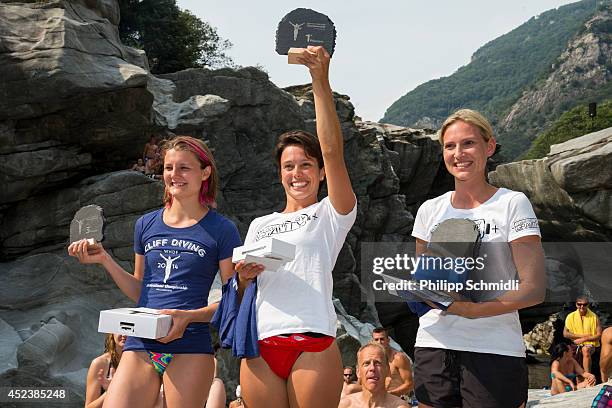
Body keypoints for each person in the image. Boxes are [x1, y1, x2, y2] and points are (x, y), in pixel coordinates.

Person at [69, 135, 241, 408]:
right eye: (169, 167)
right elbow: (140, 290)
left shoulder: (222, 230)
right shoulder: (145, 224)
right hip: (141, 342)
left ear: (205, 172)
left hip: (191, 343)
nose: (175, 175)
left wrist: (188, 316)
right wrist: (105, 259)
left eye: (184, 167)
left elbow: (233, 298)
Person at [235, 46, 357, 408]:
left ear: (321, 172)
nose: (297, 174)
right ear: (279, 175)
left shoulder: (331, 213)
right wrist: (243, 278)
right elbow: (244, 293)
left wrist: (320, 81)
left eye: (306, 165)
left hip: (312, 341)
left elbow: (333, 150)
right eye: (288, 167)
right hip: (260, 344)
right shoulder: (260, 224)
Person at [411, 109, 546, 408]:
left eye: (468, 143)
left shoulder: (512, 204)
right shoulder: (429, 210)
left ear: (489, 146)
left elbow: (534, 288)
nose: (458, 154)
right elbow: (425, 282)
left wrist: (473, 311)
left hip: (494, 347)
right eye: (450, 146)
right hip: (434, 344)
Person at [338, 343, 409, 408]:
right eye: (366, 363)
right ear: (358, 371)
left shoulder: (399, 406)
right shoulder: (345, 405)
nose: (372, 368)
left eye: (377, 363)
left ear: (388, 370)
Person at [84, 333, 125, 408]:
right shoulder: (100, 364)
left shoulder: (144, 363)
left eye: (130, 330)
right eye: (121, 329)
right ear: (112, 333)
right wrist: (110, 391)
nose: (125, 334)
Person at [563, 296, 602, 374]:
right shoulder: (570, 316)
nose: (582, 306)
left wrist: (584, 339)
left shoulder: (594, 317)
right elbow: (565, 334)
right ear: (576, 305)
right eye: (579, 304)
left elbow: (599, 335)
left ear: (588, 305)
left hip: (591, 344)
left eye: (585, 304)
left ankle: (588, 377)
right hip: (575, 344)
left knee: (585, 350)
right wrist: (583, 336)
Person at [371, 327, 413, 398]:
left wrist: (389, 394)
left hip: (398, 399)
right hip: (379, 399)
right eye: (376, 340)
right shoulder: (372, 359)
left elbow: (409, 384)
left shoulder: (398, 358)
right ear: (372, 341)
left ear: (388, 340)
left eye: (382, 339)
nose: (379, 342)